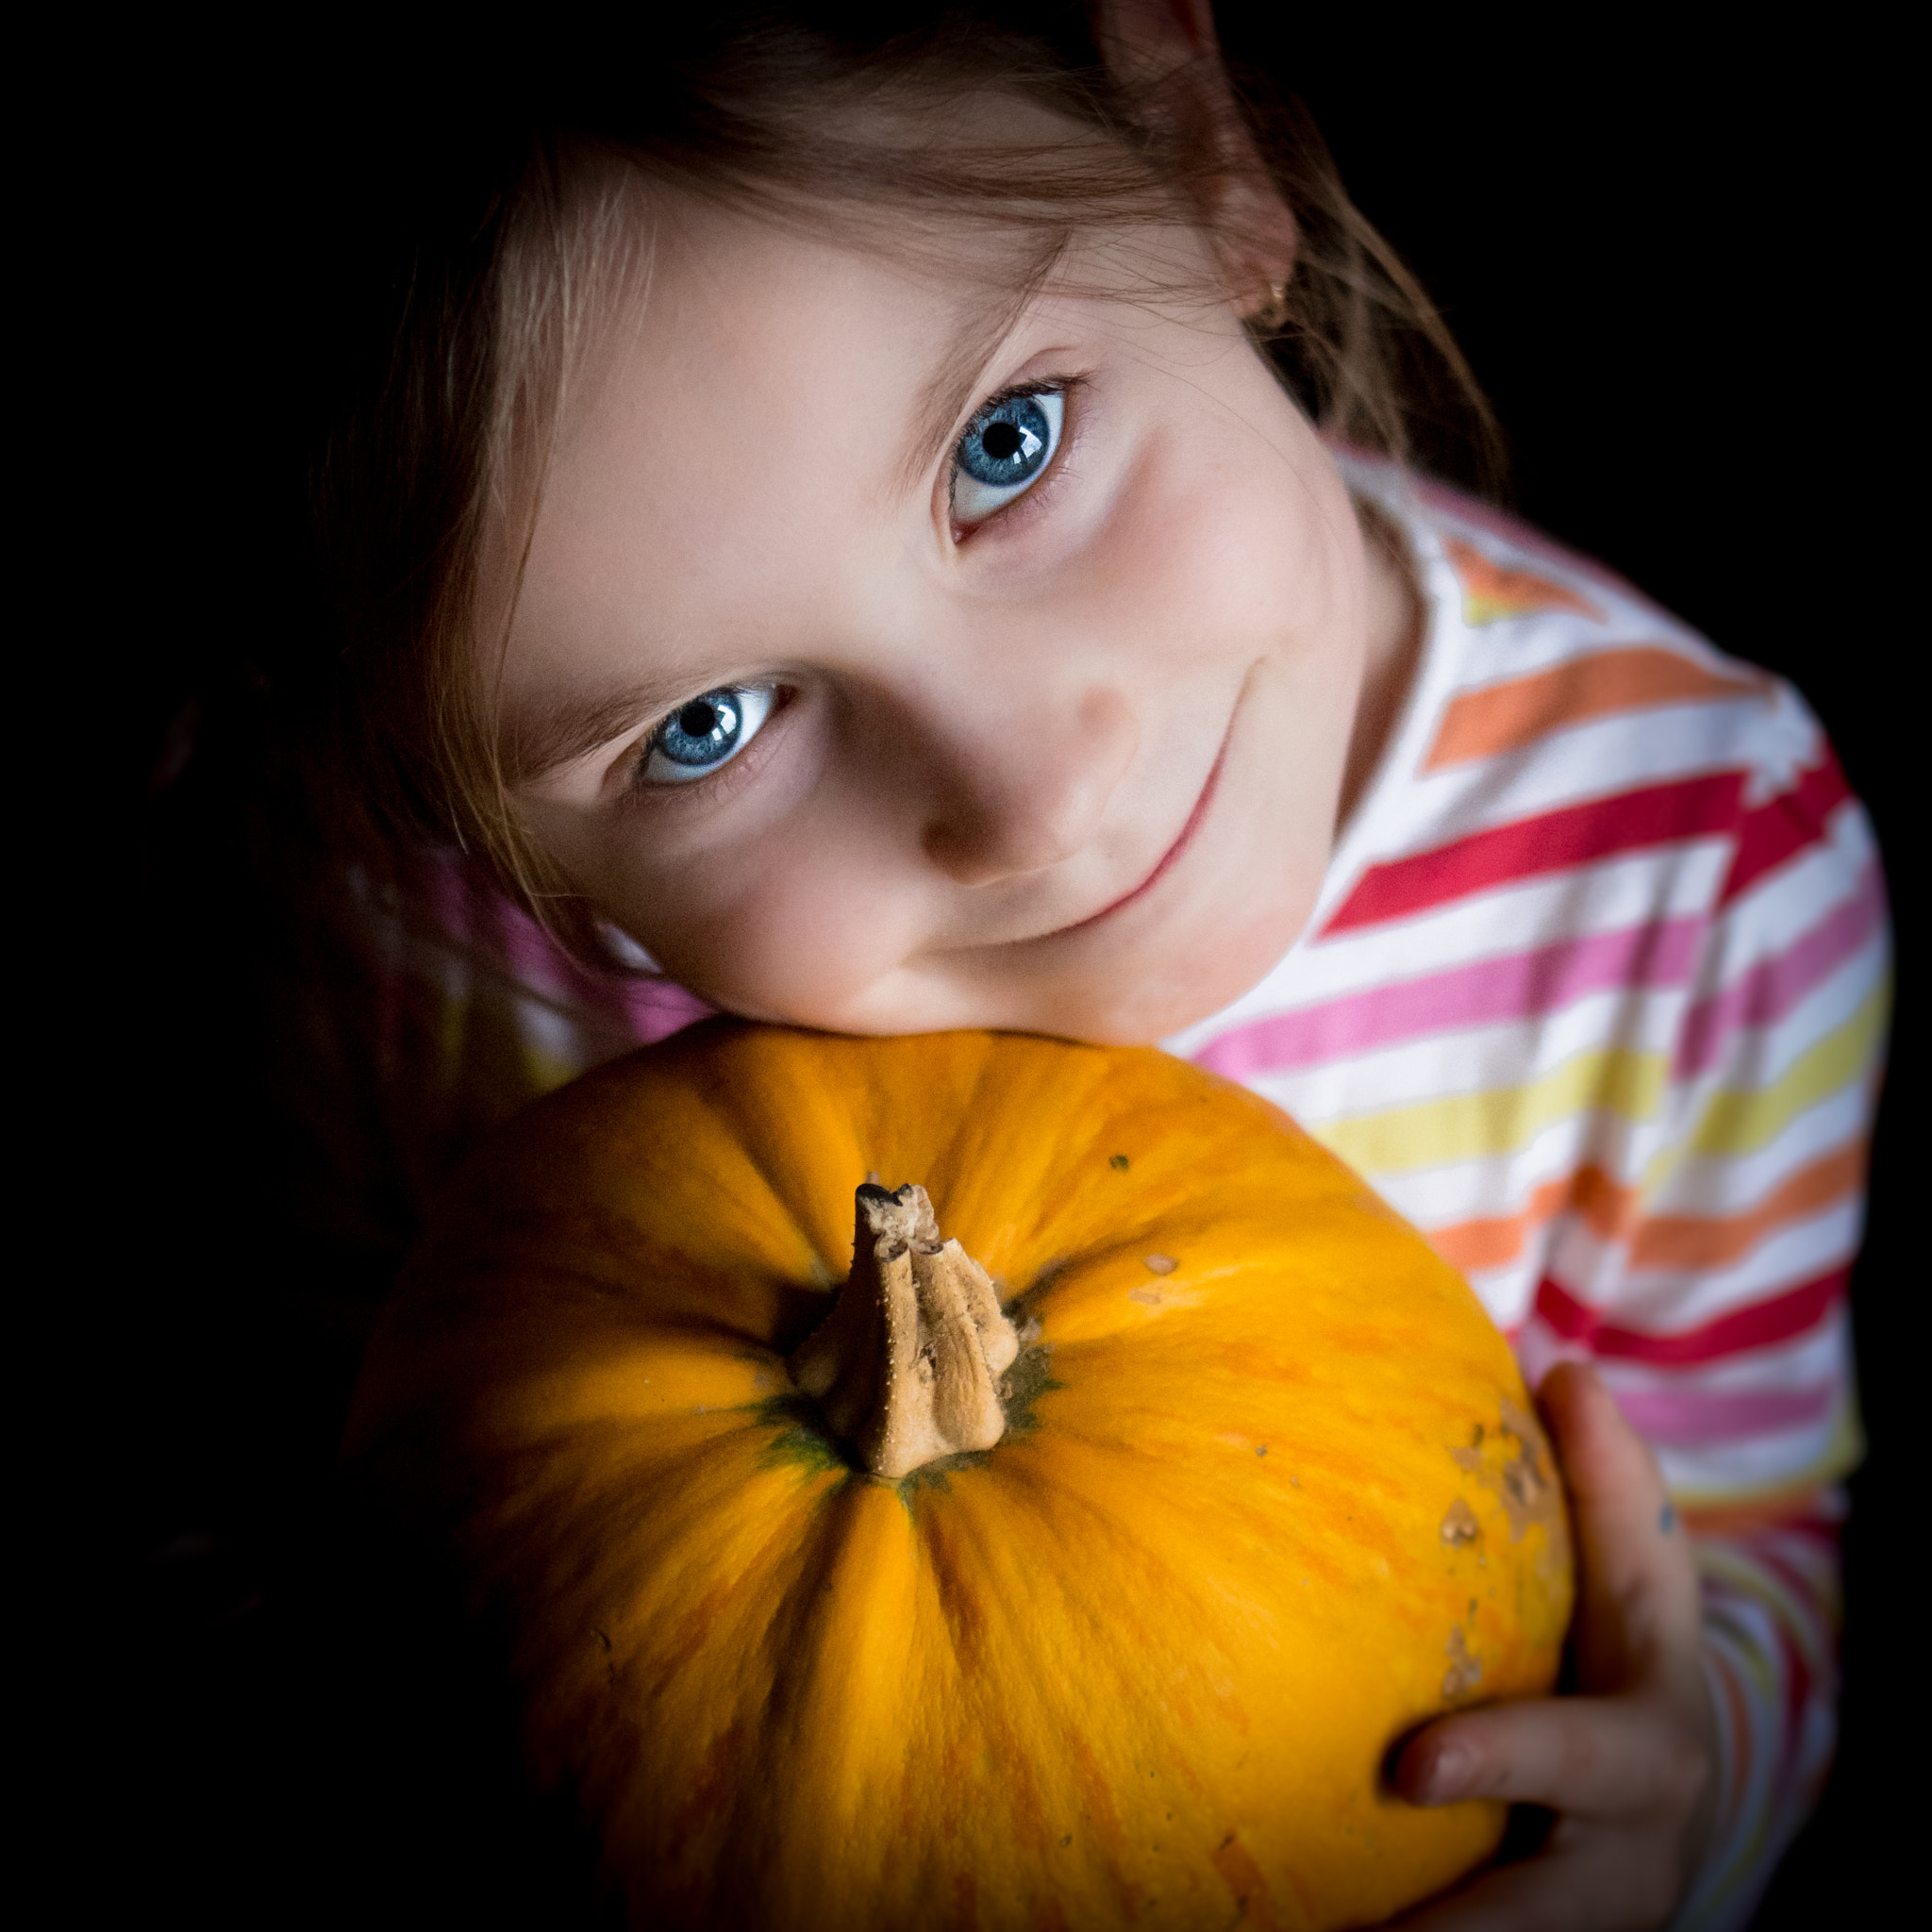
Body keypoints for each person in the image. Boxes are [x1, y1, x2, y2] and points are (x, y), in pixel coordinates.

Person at [268, 4, 1885, 1925]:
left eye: (1006, 447)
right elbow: (292, 1459)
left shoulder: (1687, 865)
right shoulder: (407, 945)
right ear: (464, 818)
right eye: (704, 726)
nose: (1030, 793)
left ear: (1199, 155)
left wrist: (1683, 1801)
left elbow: (1740, 1519)